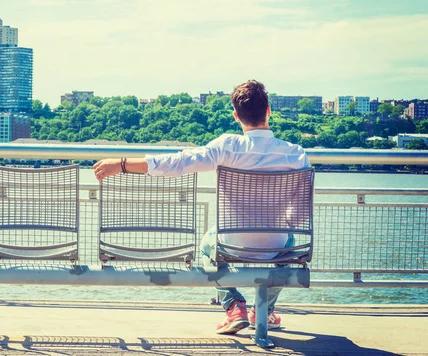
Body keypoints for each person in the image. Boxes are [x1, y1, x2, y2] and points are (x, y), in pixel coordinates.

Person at [93, 79, 310, 335]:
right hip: (275, 247)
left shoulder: (227, 146)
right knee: (289, 242)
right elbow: (298, 216)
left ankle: (234, 307)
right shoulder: (296, 154)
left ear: (236, 116)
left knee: (209, 243)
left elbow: (177, 162)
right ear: (269, 111)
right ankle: (263, 309)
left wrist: (121, 164)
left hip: (231, 244)